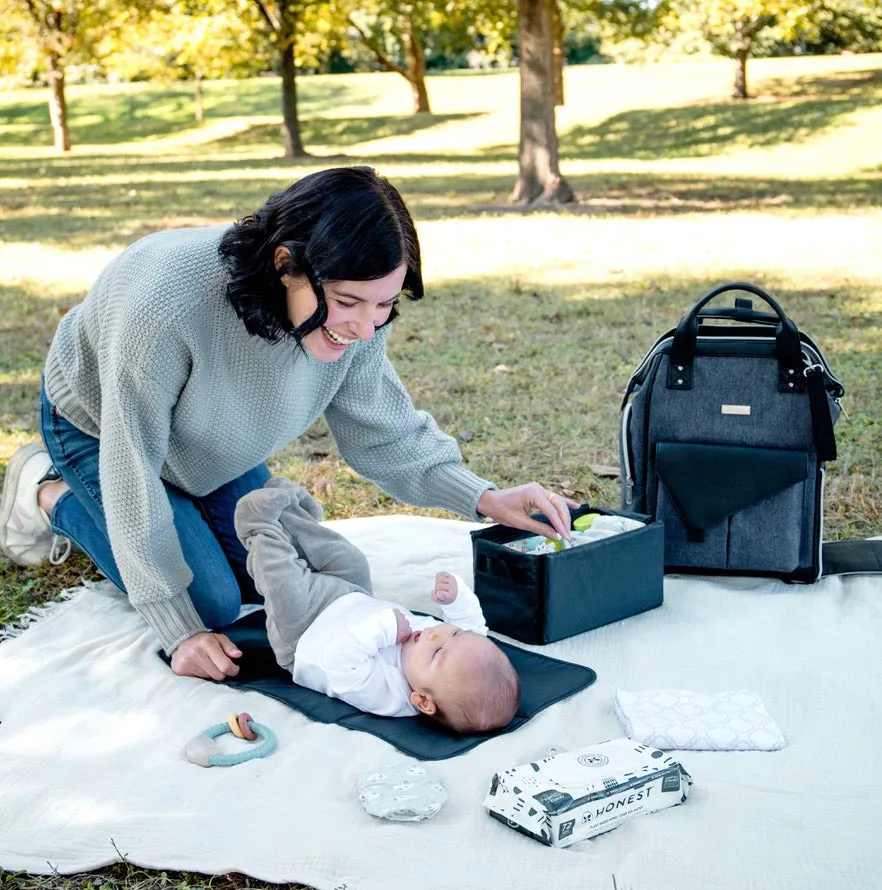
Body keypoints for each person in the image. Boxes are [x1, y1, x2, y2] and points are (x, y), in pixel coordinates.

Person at [0, 166, 575, 682]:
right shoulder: (164, 307)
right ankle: (48, 493)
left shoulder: (360, 316)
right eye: (349, 303)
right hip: (100, 429)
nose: (365, 328)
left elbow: (383, 431)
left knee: (276, 583)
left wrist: (486, 498)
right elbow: (132, 469)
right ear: (286, 265)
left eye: (385, 307)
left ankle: (185, 505)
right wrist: (178, 627)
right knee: (212, 605)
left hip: (213, 441)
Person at [235, 478, 520, 733]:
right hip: (353, 595)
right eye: (454, 634)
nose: (439, 633)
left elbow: (339, 663)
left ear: (422, 701)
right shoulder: (458, 649)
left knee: (283, 582)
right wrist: (457, 598)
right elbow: (472, 625)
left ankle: (259, 526)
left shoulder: (387, 696)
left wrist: (384, 630)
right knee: (350, 560)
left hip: (304, 631)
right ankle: (295, 516)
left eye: (436, 652)